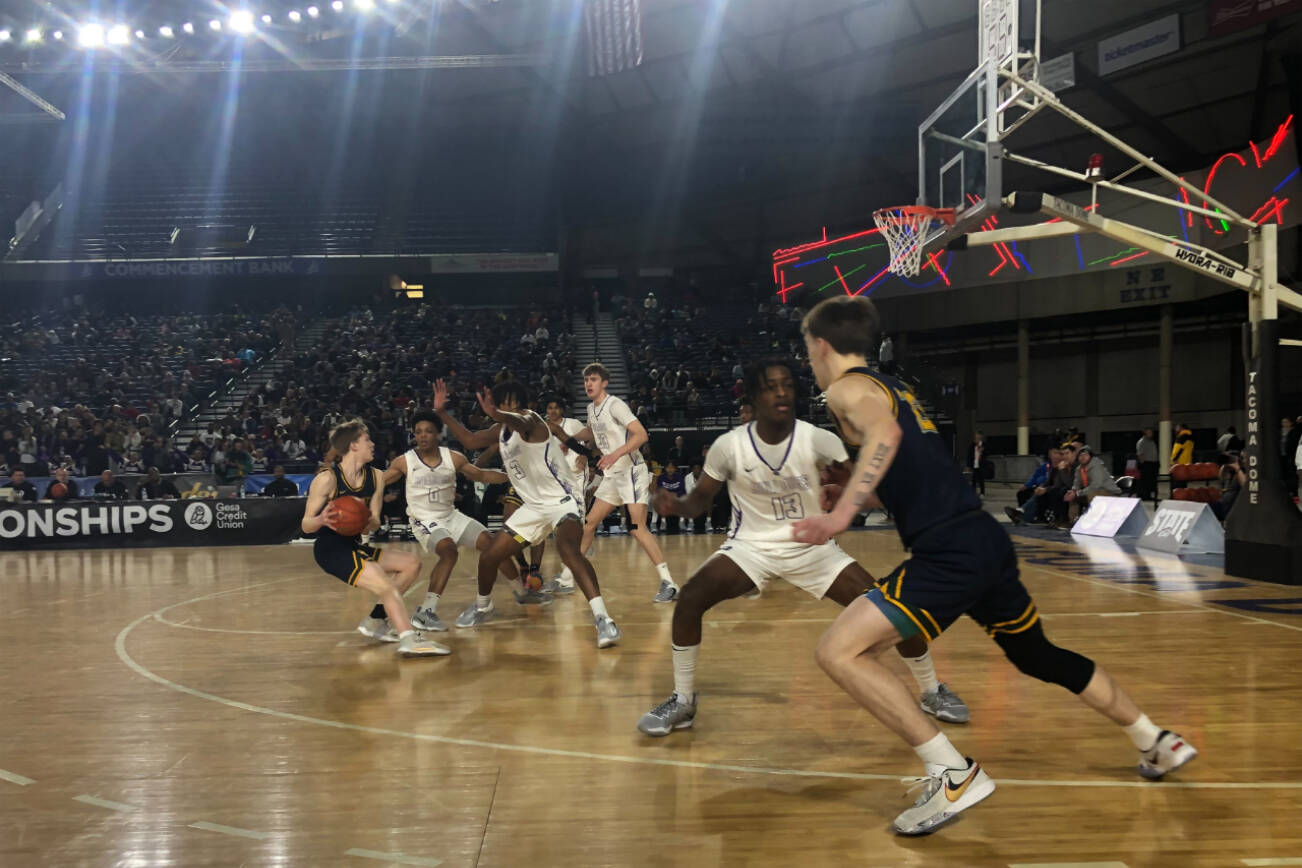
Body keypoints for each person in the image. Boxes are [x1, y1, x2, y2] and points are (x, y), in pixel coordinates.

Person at [791, 296, 1195, 836]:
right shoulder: (895, 388)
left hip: (949, 551)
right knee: (1038, 655)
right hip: (983, 540)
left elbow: (884, 439)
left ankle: (951, 772)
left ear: (820, 345)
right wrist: (859, 496)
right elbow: (909, 472)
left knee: (840, 651)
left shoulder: (846, 388)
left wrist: (839, 514)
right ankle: (1154, 740)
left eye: (807, 349)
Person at [638, 360, 969, 737]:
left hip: (814, 549)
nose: (781, 393)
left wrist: (848, 492)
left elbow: (861, 489)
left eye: (787, 386)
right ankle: (683, 701)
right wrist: (675, 506)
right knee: (690, 600)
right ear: (752, 396)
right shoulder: (728, 447)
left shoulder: (818, 439)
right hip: (751, 547)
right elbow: (699, 502)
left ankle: (931, 690)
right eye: (770, 387)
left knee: (892, 609)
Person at [438, 382, 621, 649]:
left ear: (522, 406)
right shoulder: (500, 430)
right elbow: (470, 440)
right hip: (533, 508)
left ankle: (604, 619)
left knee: (569, 550)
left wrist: (498, 414)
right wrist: (442, 412)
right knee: (490, 556)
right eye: (502, 404)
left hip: (562, 500)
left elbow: (516, 419)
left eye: (512, 404)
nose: (507, 409)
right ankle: (483, 606)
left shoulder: (532, 420)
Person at [301, 418, 449, 658]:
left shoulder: (377, 477)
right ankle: (409, 639)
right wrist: (321, 520)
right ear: (353, 446)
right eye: (366, 439)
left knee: (411, 564)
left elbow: (374, 525)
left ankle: (375, 622)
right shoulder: (327, 479)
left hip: (355, 544)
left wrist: (363, 518)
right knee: (386, 584)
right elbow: (306, 525)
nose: (372, 444)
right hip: (331, 548)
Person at [382, 410, 515, 632]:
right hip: (424, 519)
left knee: (492, 545)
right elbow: (379, 481)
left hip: (451, 516)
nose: (422, 436)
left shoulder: (453, 458)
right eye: (418, 432)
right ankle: (426, 612)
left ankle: (521, 591)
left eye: (428, 432)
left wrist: (512, 477)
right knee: (449, 551)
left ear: (438, 434)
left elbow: (481, 475)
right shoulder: (405, 461)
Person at [574, 363, 678, 603]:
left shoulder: (615, 405)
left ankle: (669, 583)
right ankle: (570, 576)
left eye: (594, 379)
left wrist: (614, 454)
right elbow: (591, 433)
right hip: (613, 476)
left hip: (631, 471)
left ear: (605, 383)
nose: (589, 383)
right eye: (586, 379)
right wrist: (571, 441)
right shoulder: (591, 408)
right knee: (589, 524)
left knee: (637, 528)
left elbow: (641, 434)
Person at [540, 395, 589, 595]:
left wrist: (585, 455)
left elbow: (590, 439)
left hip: (576, 477)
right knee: (563, 525)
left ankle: (568, 578)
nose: (552, 411)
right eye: (549, 407)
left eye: (556, 407)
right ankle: (567, 573)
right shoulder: (543, 429)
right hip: (557, 481)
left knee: (576, 521)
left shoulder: (573, 423)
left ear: (562, 410)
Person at [1064, 445, 1121, 523]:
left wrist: (1078, 493)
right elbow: (1076, 483)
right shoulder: (1079, 469)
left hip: (1110, 492)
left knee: (1091, 494)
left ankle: (1094, 523)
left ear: (1090, 456)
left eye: (1085, 455)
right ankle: (1073, 521)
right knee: (1073, 497)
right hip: (1093, 491)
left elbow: (1096, 485)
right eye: (1080, 455)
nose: (1082, 457)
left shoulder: (1096, 465)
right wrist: (1073, 491)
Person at [652, 461, 687, 534]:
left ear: (675, 469)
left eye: (672, 468)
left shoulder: (680, 477)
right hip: (665, 498)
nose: (670, 469)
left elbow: (683, 490)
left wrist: (674, 495)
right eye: (668, 467)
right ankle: (663, 522)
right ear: (665, 468)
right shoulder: (661, 477)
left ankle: (681, 521)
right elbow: (660, 490)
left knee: (683, 499)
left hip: (677, 497)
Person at [1135, 428, 1159, 503]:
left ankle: (1148, 496)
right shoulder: (1142, 442)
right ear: (1145, 433)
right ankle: (1143, 496)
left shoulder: (1152, 441)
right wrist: (1143, 464)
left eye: (1151, 432)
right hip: (1146, 464)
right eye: (1149, 432)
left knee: (1150, 481)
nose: (1151, 434)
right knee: (1145, 481)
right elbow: (1140, 453)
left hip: (1153, 464)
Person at [1170, 423, 1194, 489]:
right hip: (1186, 462)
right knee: (1183, 484)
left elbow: (1178, 450)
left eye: (1177, 427)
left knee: (1177, 484)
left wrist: (1174, 459)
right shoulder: (1189, 436)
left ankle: (1176, 497)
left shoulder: (1182, 437)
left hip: (1179, 463)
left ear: (1182, 428)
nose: (1175, 429)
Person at [966, 431, 988, 496]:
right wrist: (968, 465)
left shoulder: (984, 445)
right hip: (974, 464)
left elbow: (987, 454)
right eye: (976, 437)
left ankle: (982, 493)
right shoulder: (972, 445)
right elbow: (969, 455)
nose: (977, 438)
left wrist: (983, 451)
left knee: (981, 479)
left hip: (981, 464)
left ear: (981, 437)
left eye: (979, 437)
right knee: (973, 479)